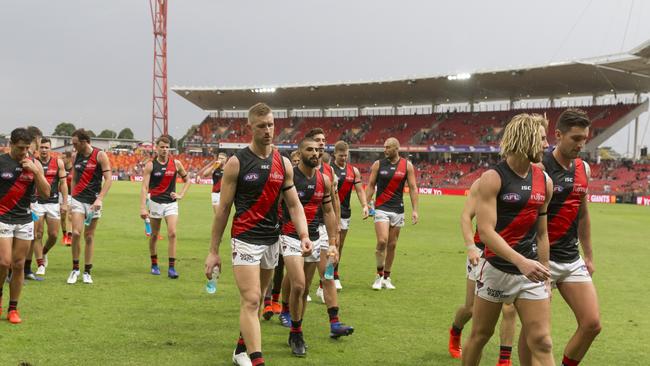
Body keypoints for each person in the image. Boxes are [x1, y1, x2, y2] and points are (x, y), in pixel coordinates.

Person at [204, 102, 312, 366]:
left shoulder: (283, 163)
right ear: (249, 127)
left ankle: (241, 349)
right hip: (245, 239)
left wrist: (304, 234)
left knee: (258, 299)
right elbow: (223, 210)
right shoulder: (236, 163)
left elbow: (294, 204)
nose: (268, 130)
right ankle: (256, 360)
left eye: (271, 125)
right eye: (262, 126)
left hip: (271, 240)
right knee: (252, 300)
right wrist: (213, 251)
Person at [462, 114, 554, 366]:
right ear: (525, 138)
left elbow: (542, 233)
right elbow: (486, 231)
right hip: (496, 270)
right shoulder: (493, 178)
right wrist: (520, 261)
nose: (547, 145)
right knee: (481, 335)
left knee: (543, 341)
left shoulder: (545, 181)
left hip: (531, 273)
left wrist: (546, 277)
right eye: (542, 139)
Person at [540, 109, 601, 366]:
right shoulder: (540, 166)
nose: (581, 144)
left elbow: (583, 214)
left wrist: (588, 255)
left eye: (584, 138)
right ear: (558, 135)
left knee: (592, 324)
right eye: (575, 138)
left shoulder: (583, 169)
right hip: (540, 260)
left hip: (571, 258)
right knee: (539, 335)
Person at [448, 178, 517, 365]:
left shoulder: (530, 180)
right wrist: (470, 246)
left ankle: (504, 360)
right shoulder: (484, 182)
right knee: (471, 308)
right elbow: (466, 216)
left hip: (513, 253)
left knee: (509, 308)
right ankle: (456, 331)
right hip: (482, 252)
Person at [280, 137, 338, 356]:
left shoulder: (324, 179)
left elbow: (330, 211)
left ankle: (296, 331)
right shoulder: (290, 175)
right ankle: (295, 330)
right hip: (289, 235)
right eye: (309, 150)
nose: (315, 153)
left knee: (303, 292)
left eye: (317, 150)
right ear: (300, 152)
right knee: (298, 285)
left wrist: (332, 243)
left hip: (314, 238)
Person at [303, 128, 354, 338]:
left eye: (323, 141)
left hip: (322, 228)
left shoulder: (328, 171)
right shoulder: (297, 170)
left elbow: (333, 203)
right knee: (300, 284)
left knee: (327, 274)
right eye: (316, 141)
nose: (321, 145)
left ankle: (335, 323)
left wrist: (336, 230)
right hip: (300, 230)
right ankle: (287, 311)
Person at [0, 128, 50, 323]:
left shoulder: (34, 163)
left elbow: (46, 192)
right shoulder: (2, 161)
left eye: (27, 148)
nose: (24, 152)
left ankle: (13, 309)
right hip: (3, 217)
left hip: (24, 219)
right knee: (4, 262)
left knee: (19, 265)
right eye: (20, 148)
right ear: (11, 144)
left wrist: (36, 171)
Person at [366, 137, 419, 290]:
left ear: (396, 148)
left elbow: (413, 188)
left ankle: (386, 277)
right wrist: (366, 204)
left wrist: (415, 210)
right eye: (384, 147)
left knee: (392, 245)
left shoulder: (407, 165)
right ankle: (378, 275)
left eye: (388, 147)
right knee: (382, 241)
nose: (385, 150)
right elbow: (370, 185)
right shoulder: (378, 164)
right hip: (381, 208)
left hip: (398, 209)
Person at [140, 135, 191, 278]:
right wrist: (143, 207)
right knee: (155, 235)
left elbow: (187, 180)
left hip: (171, 204)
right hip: (155, 203)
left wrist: (181, 194)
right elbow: (144, 187)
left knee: (172, 233)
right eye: (162, 147)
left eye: (167, 147)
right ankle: (154, 264)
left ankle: (171, 268)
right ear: (156, 148)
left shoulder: (176, 163)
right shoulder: (150, 165)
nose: (164, 150)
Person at [67, 129, 113, 285]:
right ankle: (75, 269)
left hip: (94, 202)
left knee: (89, 236)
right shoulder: (75, 156)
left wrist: (99, 199)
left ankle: (87, 271)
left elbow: (108, 180)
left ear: (84, 142)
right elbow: (73, 179)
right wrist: (71, 198)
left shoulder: (100, 155)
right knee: (75, 233)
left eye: (75, 144)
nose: (73, 147)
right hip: (78, 200)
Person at [332, 140, 369, 290]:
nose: (343, 158)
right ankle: (331, 276)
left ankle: (333, 272)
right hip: (329, 213)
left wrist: (365, 205)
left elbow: (360, 190)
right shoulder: (329, 169)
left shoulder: (353, 171)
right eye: (341, 155)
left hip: (345, 213)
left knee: (340, 247)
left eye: (345, 155)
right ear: (335, 154)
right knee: (334, 244)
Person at [33, 138, 68, 277]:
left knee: (53, 235)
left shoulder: (58, 162)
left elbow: (64, 184)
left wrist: (64, 203)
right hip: (37, 203)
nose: (43, 150)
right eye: (41, 147)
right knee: (38, 234)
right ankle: (40, 264)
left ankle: (44, 252)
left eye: (46, 147)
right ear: (38, 148)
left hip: (53, 203)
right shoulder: (33, 162)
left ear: (50, 149)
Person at [24, 126, 43, 281]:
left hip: (34, 202)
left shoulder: (34, 161)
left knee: (32, 236)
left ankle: (27, 269)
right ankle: (12, 269)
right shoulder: (22, 158)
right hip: (21, 204)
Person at [60, 151, 74, 246]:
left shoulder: (75, 169)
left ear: (69, 158)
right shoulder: (60, 169)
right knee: (63, 217)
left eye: (64, 158)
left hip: (71, 195)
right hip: (61, 195)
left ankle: (69, 236)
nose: (62, 160)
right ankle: (64, 234)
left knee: (70, 215)